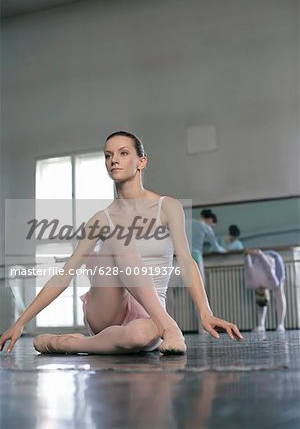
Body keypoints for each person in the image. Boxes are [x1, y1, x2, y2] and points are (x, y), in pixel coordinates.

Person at [0, 131, 243, 355]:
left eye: (123, 153)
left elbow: (187, 260)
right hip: (107, 308)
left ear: (141, 162)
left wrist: (205, 311)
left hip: (149, 313)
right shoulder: (101, 219)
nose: (113, 160)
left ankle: (69, 343)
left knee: (142, 334)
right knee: (118, 235)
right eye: (108, 155)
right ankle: (170, 327)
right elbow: (65, 275)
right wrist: (20, 322)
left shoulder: (167, 207)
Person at [244, 249, 286, 332]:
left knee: (279, 294)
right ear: (268, 295)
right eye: (264, 296)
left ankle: (280, 324)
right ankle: (262, 325)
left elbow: (248, 268)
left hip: (259, 258)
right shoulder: (273, 282)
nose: (261, 294)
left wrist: (246, 255)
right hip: (274, 259)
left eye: (260, 296)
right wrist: (259, 254)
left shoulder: (251, 284)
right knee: (279, 291)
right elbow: (268, 267)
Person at [188, 209, 226, 280]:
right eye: (212, 226)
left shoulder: (188, 222)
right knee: (200, 281)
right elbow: (215, 247)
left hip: (183, 255)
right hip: (196, 255)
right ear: (210, 220)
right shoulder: (206, 227)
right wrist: (224, 250)